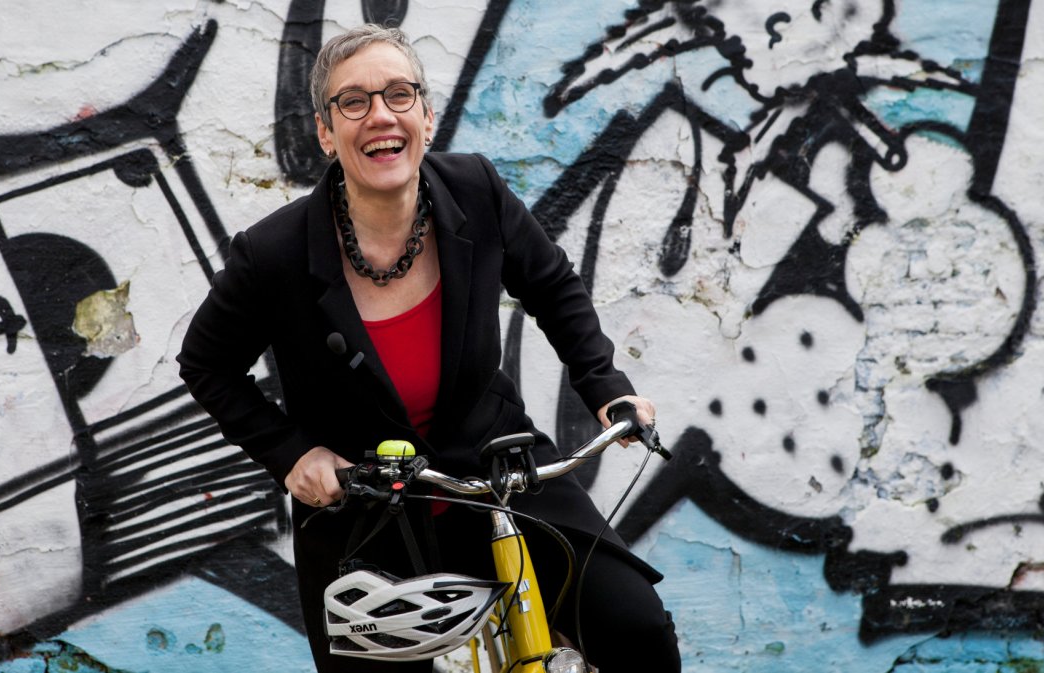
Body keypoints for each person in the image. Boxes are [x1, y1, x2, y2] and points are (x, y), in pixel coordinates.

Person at [177, 24, 681, 672]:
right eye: (353, 101)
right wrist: (291, 453)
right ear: (326, 132)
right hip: (364, 512)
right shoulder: (272, 254)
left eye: (399, 94)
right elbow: (207, 365)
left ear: (426, 114)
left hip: (500, 477)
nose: (380, 115)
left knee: (638, 629)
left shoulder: (476, 190)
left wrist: (605, 387)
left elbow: (551, 284)